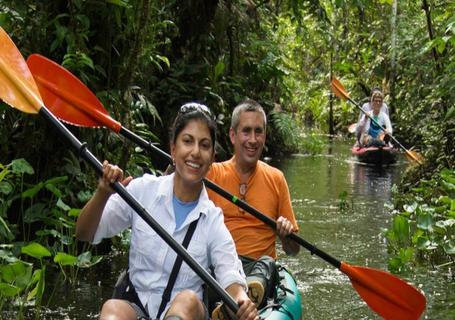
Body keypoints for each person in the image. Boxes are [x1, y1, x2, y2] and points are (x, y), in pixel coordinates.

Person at [76, 103, 258, 320]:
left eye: (204, 145)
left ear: (211, 158)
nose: (195, 152)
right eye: (187, 141)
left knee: (187, 301)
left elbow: (230, 278)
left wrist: (241, 301)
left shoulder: (212, 220)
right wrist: (103, 193)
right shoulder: (141, 190)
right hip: (137, 307)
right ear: (173, 148)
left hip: (185, 313)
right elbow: (84, 233)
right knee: (112, 308)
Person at [206, 99, 300, 312]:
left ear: (265, 137)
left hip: (258, 269)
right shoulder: (211, 174)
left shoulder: (276, 178)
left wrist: (286, 235)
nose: (253, 139)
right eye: (246, 131)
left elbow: (293, 250)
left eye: (259, 132)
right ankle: (232, 306)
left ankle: (237, 304)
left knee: (268, 263)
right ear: (233, 135)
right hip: (219, 267)